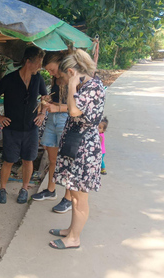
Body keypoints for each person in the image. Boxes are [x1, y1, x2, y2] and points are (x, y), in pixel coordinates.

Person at [49, 49, 105, 249]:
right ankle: (71, 230)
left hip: (84, 149)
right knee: (73, 193)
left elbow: (73, 111)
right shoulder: (88, 85)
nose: (61, 79)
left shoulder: (92, 87)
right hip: (76, 145)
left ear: (72, 72)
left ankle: (74, 238)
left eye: (64, 76)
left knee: (80, 197)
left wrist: (72, 84)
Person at [0, 46, 48, 204]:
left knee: (28, 160)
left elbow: (45, 97)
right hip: (11, 129)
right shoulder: (10, 79)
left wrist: (43, 113)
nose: (40, 66)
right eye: (38, 62)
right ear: (28, 61)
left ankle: (24, 189)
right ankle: (2, 189)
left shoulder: (38, 79)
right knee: (8, 160)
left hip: (31, 128)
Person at [31, 51, 73, 213]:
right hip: (53, 118)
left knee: (68, 161)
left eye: (51, 69)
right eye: (48, 71)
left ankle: (68, 198)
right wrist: (49, 101)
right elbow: (57, 99)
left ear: (61, 63)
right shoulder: (56, 78)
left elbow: (77, 108)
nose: (50, 73)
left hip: (66, 119)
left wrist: (57, 107)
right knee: (52, 158)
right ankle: (51, 190)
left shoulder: (73, 78)